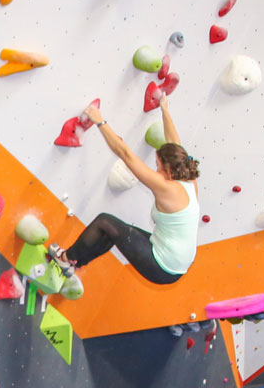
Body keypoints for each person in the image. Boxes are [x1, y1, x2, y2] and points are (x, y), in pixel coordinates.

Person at [46, 94, 202, 286]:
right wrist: (164, 109)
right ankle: (73, 263)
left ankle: (64, 259)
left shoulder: (166, 188)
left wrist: (99, 121)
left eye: (158, 165)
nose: (156, 170)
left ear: (169, 171)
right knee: (113, 232)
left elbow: (125, 154)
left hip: (163, 268)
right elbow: (176, 145)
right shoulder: (188, 178)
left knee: (104, 222)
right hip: (176, 259)